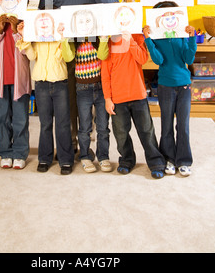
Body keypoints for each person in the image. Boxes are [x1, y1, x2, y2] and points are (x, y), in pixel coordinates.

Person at [38, 0, 119, 153]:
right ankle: (74, 142)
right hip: (66, 45)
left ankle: (96, 139)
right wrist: (55, 17)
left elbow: (113, 4)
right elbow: (44, 12)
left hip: (95, 46)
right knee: (71, 98)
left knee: (99, 95)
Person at [101, 31, 166, 179]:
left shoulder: (136, 37)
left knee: (146, 131)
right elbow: (105, 73)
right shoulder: (108, 42)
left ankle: (156, 161)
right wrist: (107, 98)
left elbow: (142, 59)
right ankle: (126, 160)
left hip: (138, 95)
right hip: (118, 98)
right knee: (121, 133)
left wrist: (130, 40)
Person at [143, 1, 197, 176]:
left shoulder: (181, 35)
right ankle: (169, 159)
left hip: (184, 85)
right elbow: (158, 61)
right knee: (166, 125)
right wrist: (148, 40)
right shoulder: (158, 38)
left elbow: (189, 59)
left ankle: (184, 161)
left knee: (183, 125)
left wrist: (191, 37)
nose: (169, 20)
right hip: (166, 85)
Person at [16, 21, 74, 175]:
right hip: (41, 84)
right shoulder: (37, 35)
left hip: (60, 83)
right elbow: (32, 55)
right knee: (45, 123)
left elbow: (68, 58)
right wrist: (24, 36)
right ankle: (44, 158)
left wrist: (63, 37)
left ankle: (66, 160)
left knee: (62, 123)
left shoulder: (62, 34)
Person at [0, 0, 31, 170]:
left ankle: (20, 153)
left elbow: (27, 51)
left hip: (19, 79)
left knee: (20, 118)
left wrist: (15, 30)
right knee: (2, 117)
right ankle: (5, 152)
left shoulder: (26, 24)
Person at [60, 26, 111, 173]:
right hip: (82, 88)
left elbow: (102, 56)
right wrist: (64, 39)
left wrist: (103, 39)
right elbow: (68, 57)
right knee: (84, 127)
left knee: (103, 126)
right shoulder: (74, 40)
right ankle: (85, 156)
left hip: (100, 87)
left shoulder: (98, 38)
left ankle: (103, 157)